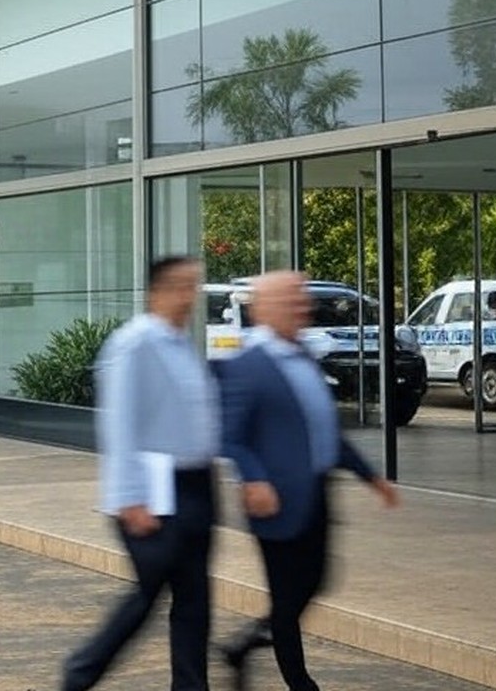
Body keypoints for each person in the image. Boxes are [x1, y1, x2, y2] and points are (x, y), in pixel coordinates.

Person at [217, 271, 399, 691]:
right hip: (274, 501)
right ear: (264, 308)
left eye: (301, 299)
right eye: (291, 299)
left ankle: (243, 646)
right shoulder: (248, 365)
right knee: (286, 596)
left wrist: (372, 477)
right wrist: (255, 479)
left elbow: (326, 433)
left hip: (315, 495)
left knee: (315, 581)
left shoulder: (302, 356)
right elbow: (231, 437)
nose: (302, 306)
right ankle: (300, 683)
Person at [62, 254, 220, 691]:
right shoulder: (135, 344)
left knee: (194, 601)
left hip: (194, 485)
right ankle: (80, 673)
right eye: (181, 286)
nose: (190, 296)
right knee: (148, 594)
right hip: (154, 489)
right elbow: (120, 423)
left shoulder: (180, 343)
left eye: (194, 286)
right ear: (157, 292)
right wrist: (130, 498)